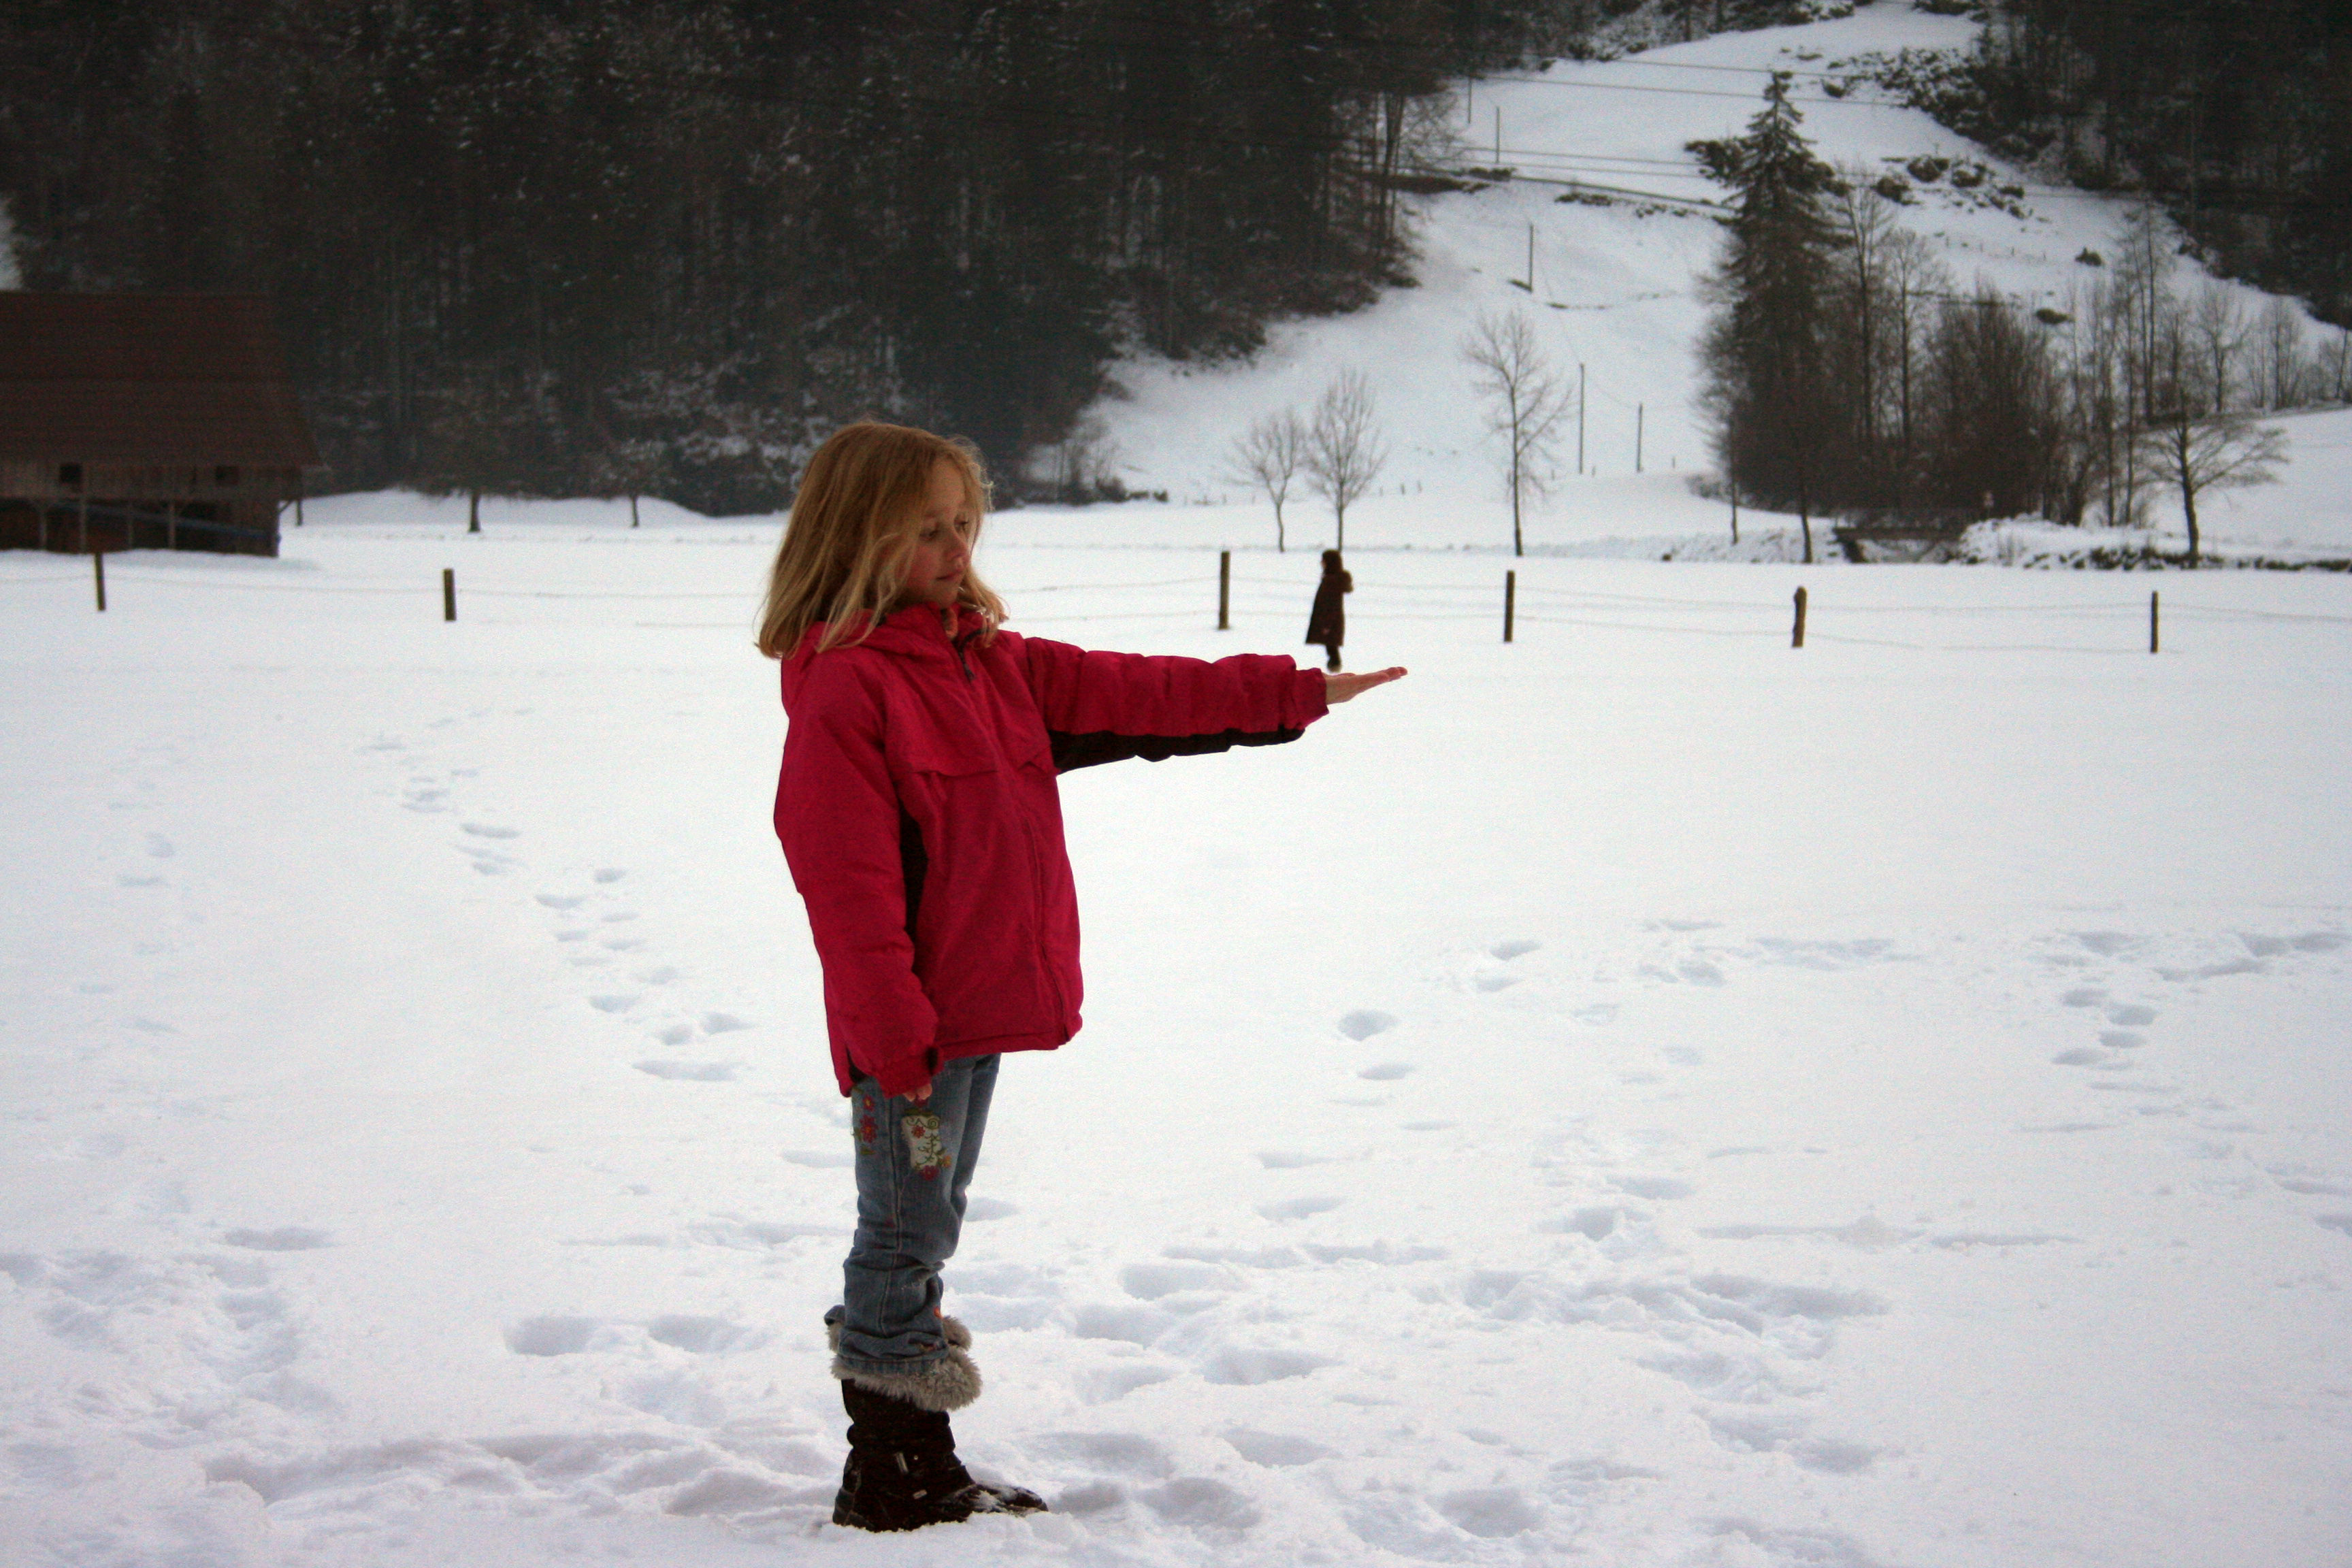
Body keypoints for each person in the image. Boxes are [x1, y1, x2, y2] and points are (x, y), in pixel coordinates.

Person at [758, 422, 1406, 1533]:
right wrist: (894, 1038)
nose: (956, 546)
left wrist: (1296, 691)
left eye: (965, 522)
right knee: (903, 1230)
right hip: (910, 1034)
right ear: (857, 534)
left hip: (970, 1014)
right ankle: (894, 1469)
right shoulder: (850, 690)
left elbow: (1142, 693)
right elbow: (847, 889)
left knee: (928, 1220)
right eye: (927, 529)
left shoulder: (990, 661)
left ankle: (908, 1455)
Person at [1305, 548, 1352, 671]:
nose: (1321, 563)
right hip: (1331, 621)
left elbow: (1331, 605)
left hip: (1329, 621)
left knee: (1332, 647)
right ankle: (1334, 668)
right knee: (1331, 646)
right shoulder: (1332, 579)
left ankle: (1334, 670)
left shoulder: (1331, 581)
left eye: (1324, 560)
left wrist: (1327, 624)